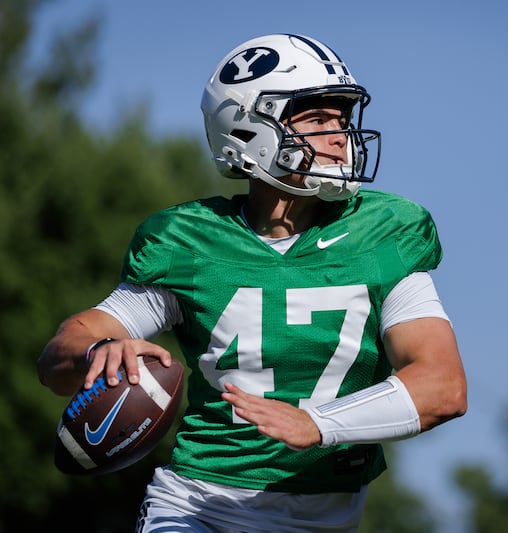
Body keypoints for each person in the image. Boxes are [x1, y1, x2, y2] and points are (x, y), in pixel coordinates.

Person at [37, 33, 467, 532]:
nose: (341, 136)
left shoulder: (383, 232)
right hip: (200, 505)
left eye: (343, 119)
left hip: (328, 516)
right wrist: (99, 351)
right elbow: (57, 359)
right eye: (318, 119)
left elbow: (443, 387)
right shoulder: (190, 242)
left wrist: (318, 424)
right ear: (246, 129)